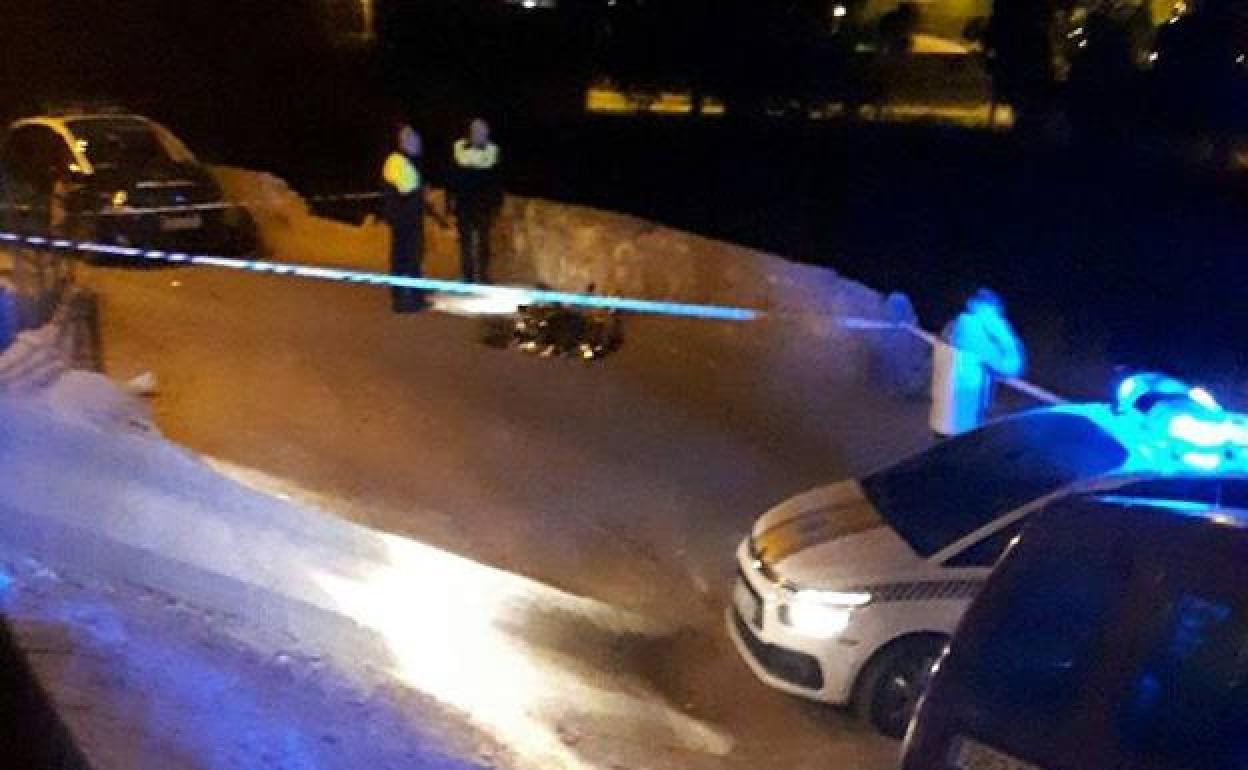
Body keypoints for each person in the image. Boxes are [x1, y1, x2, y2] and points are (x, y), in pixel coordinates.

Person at [930, 289, 1025, 437]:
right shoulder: (975, 334)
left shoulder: (953, 325)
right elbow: (1012, 368)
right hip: (961, 425)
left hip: (941, 417)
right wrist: (1003, 335)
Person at [382, 123, 429, 313]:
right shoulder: (398, 161)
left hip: (405, 217)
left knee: (409, 257)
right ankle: (403, 299)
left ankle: (413, 296)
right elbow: (409, 189)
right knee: (406, 257)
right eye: (415, 141)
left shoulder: (404, 161)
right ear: (405, 142)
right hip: (404, 218)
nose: (419, 145)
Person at [449, 118, 503, 284]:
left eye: (482, 130)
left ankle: (483, 275)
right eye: (476, 130)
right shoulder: (458, 148)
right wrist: (450, 199)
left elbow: (497, 180)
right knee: (465, 242)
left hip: (483, 203)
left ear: (487, 133)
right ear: (470, 132)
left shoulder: (493, 151)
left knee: (483, 242)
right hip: (464, 202)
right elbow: (452, 177)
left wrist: (496, 203)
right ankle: (467, 275)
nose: (479, 133)